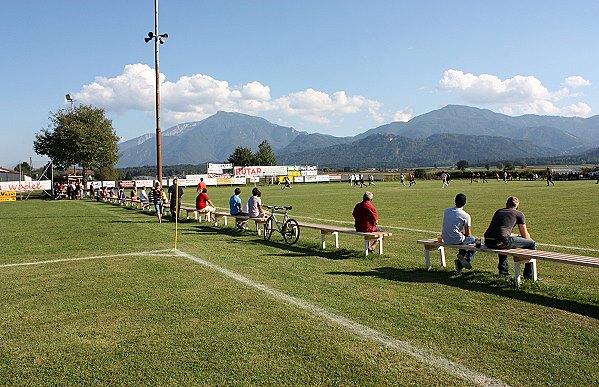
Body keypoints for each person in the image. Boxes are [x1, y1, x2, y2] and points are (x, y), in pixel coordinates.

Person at [484, 196, 537, 278]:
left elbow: (501, 231)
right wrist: (528, 239)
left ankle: (503, 271)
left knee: (501, 241)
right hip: (502, 242)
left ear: (506, 204)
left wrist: (516, 235)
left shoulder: (498, 212)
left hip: (488, 241)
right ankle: (529, 275)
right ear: (518, 206)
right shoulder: (519, 214)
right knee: (531, 244)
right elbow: (525, 235)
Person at [442, 193, 477, 272]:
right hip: (456, 239)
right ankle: (464, 260)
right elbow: (468, 233)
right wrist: (471, 240)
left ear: (455, 201)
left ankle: (460, 263)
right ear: (465, 203)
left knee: (463, 239)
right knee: (476, 242)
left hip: (445, 238)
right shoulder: (465, 215)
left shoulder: (446, 211)